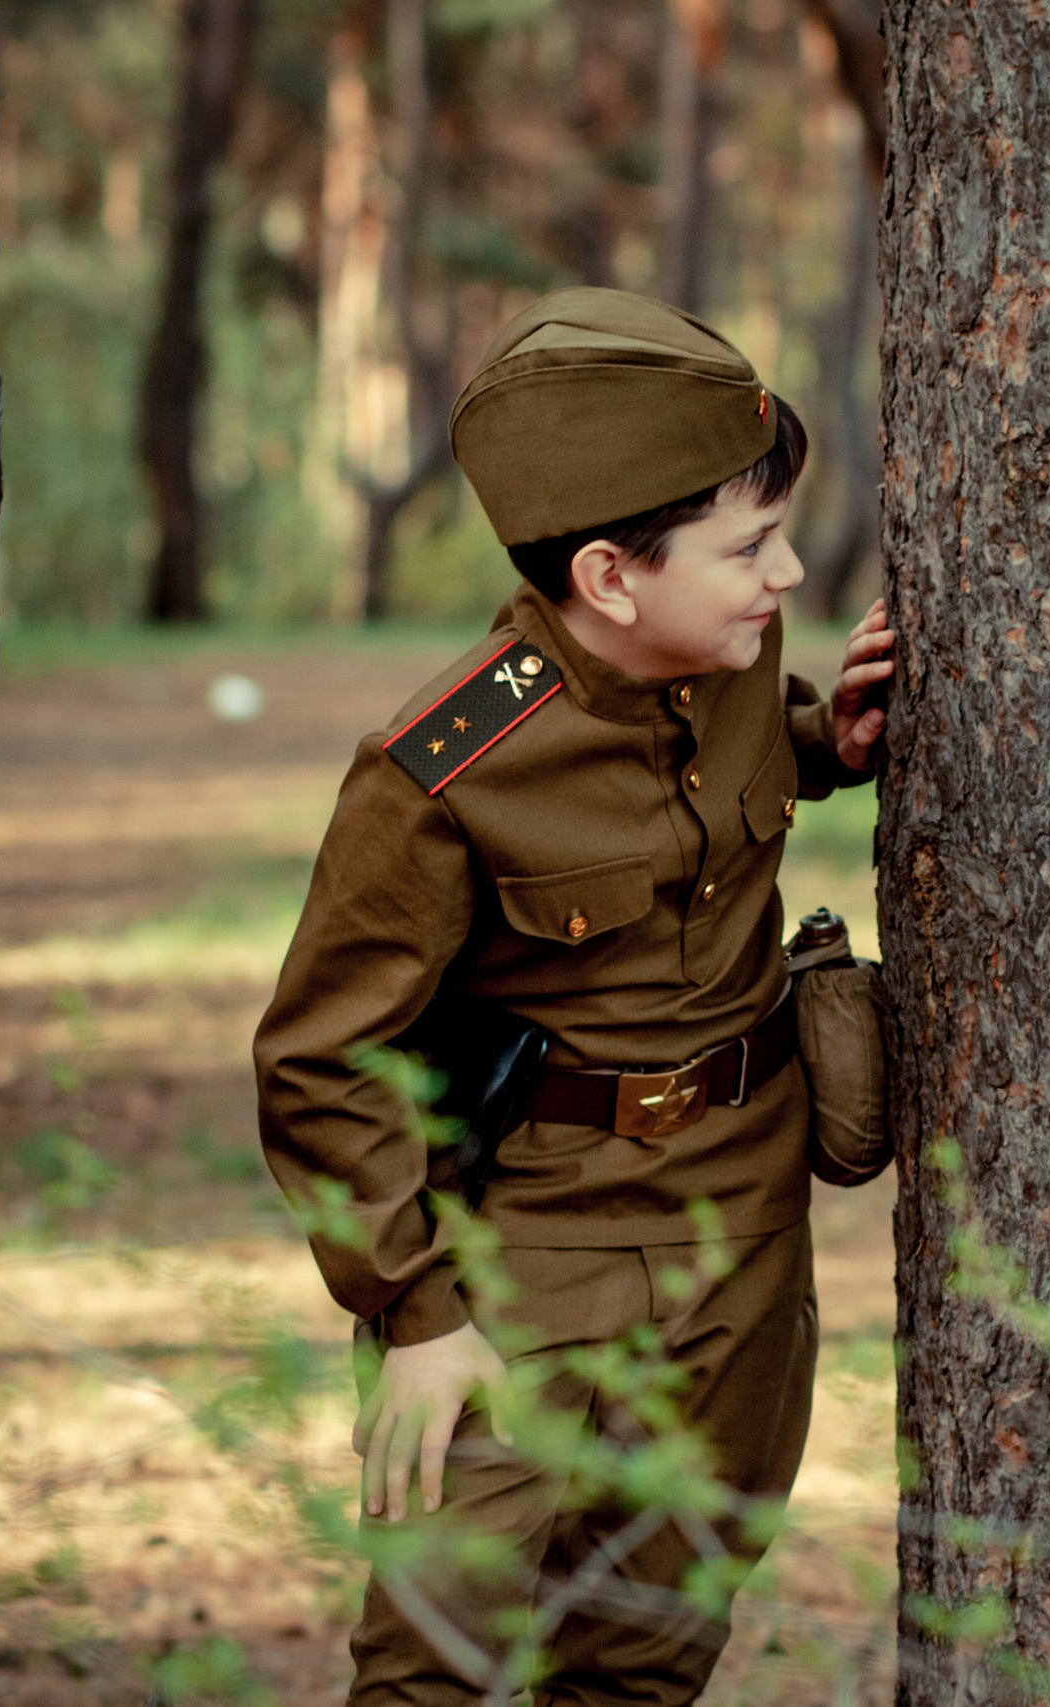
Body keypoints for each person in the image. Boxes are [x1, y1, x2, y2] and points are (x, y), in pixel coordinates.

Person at [254, 286, 895, 1706]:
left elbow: (705, 811)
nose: (787, 574)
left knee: (651, 1655)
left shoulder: (726, 654)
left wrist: (826, 743)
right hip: (522, 1268)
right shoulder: (443, 768)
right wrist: (413, 1313)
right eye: (749, 547)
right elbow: (318, 1058)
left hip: (742, 1234)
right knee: (440, 1665)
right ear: (610, 577)